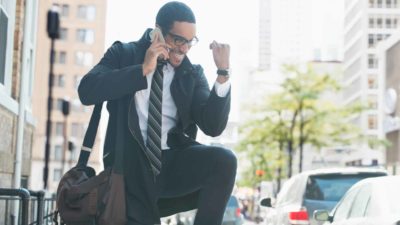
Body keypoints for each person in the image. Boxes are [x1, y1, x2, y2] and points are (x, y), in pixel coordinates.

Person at [78, 1, 237, 225]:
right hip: (130, 166)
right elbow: (87, 90)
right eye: (178, 40)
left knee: (225, 161)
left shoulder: (191, 74)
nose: (184, 48)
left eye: (190, 42)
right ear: (158, 31)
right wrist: (142, 69)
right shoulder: (124, 54)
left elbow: (213, 126)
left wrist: (222, 75)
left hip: (171, 163)